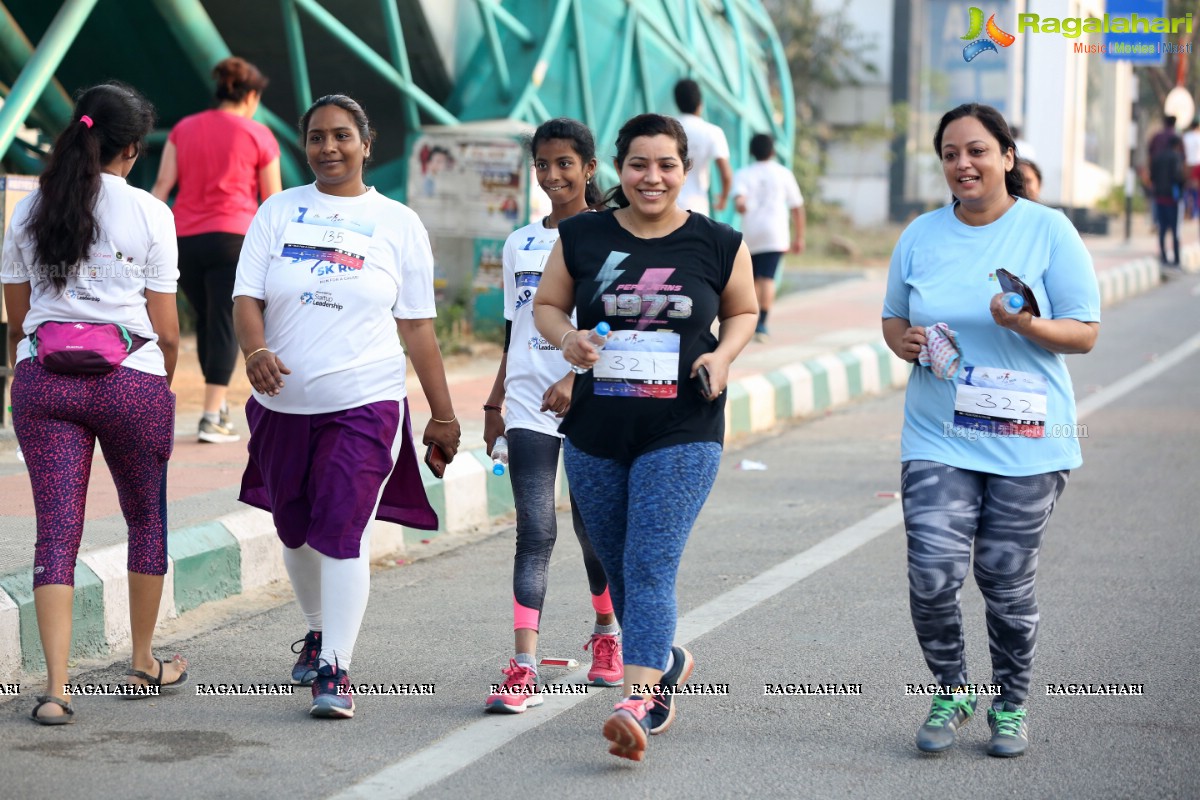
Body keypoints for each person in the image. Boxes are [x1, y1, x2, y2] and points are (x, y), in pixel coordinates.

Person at [533, 113, 758, 761]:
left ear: (684, 170)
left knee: (651, 561)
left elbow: (744, 310)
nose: (651, 177)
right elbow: (550, 305)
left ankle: (635, 700)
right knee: (615, 556)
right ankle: (664, 658)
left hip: (684, 425)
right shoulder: (583, 235)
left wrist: (723, 356)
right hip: (596, 427)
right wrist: (568, 339)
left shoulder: (717, 242)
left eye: (665, 165)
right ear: (619, 169)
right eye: (639, 164)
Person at [882, 103, 1100, 758]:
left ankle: (1010, 700)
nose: (962, 164)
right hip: (938, 431)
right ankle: (952, 688)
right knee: (931, 571)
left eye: (976, 150)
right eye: (950, 153)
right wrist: (907, 342)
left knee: (1005, 575)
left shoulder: (1049, 231)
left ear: (1007, 155)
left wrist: (1028, 327)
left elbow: (1085, 332)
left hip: (1029, 436)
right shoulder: (920, 234)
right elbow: (893, 322)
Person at [232, 94, 459, 720]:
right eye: (315, 137)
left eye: (340, 136)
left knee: (342, 524)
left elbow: (416, 328)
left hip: (365, 399)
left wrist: (442, 413)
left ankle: (335, 665)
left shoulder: (398, 223)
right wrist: (254, 351)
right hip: (281, 405)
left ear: (366, 142)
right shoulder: (278, 211)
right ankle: (315, 628)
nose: (328, 148)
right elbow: (246, 297)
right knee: (295, 528)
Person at [2, 83, 188, 725]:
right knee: (146, 518)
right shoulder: (150, 213)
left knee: (56, 530)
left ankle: (56, 689)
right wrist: (163, 378)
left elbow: (19, 318)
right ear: (132, 149)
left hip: (42, 382)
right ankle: (141, 662)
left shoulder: (29, 211)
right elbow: (165, 329)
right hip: (129, 379)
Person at [481, 118, 622, 713]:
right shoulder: (519, 243)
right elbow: (514, 328)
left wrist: (574, 375)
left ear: (589, 168)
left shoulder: (612, 235)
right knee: (534, 531)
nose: (553, 175)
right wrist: (495, 401)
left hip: (592, 402)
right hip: (526, 405)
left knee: (594, 535)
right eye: (543, 165)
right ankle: (523, 664)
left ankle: (608, 635)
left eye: (565, 163)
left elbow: (620, 319)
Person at [152, 56, 281, 444]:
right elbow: (272, 200)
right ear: (252, 95)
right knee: (225, 321)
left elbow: (162, 186)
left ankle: (217, 405)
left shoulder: (183, 129)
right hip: (233, 239)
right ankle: (210, 415)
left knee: (210, 320)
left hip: (184, 240)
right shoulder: (259, 134)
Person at [731, 133, 804, 342]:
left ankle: (751, 322)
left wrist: (743, 204)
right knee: (768, 278)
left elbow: (739, 202)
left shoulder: (744, 174)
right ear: (772, 151)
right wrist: (799, 236)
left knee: (752, 279)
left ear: (752, 152)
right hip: (776, 233)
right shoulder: (783, 173)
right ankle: (762, 323)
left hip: (752, 233)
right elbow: (797, 207)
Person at [673, 79, 732, 215]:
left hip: (667, 205)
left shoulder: (666, 128)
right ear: (700, 104)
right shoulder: (713, 132)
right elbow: (726, 174)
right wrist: (723, 198)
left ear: (677, 102)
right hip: (696, 207)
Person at [1149, 137, 1185, 267]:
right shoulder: (1176, 157)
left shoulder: (1157, 157)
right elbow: (1178, 176)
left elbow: (1152, 176)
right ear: (1176, 146)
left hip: (1159, 198)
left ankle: (1163, 257)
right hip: (1172, 199)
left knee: (1162, 229)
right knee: (1175, 230)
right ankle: (1176, 259)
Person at [1180, 117, 1200, 219]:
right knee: (1196, 190)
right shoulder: (1198, 137)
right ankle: (1195, 211)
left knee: (1187, 189)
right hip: (1197, 165)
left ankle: (1187, 211)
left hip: (1187, 166)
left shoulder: (1186, 137)